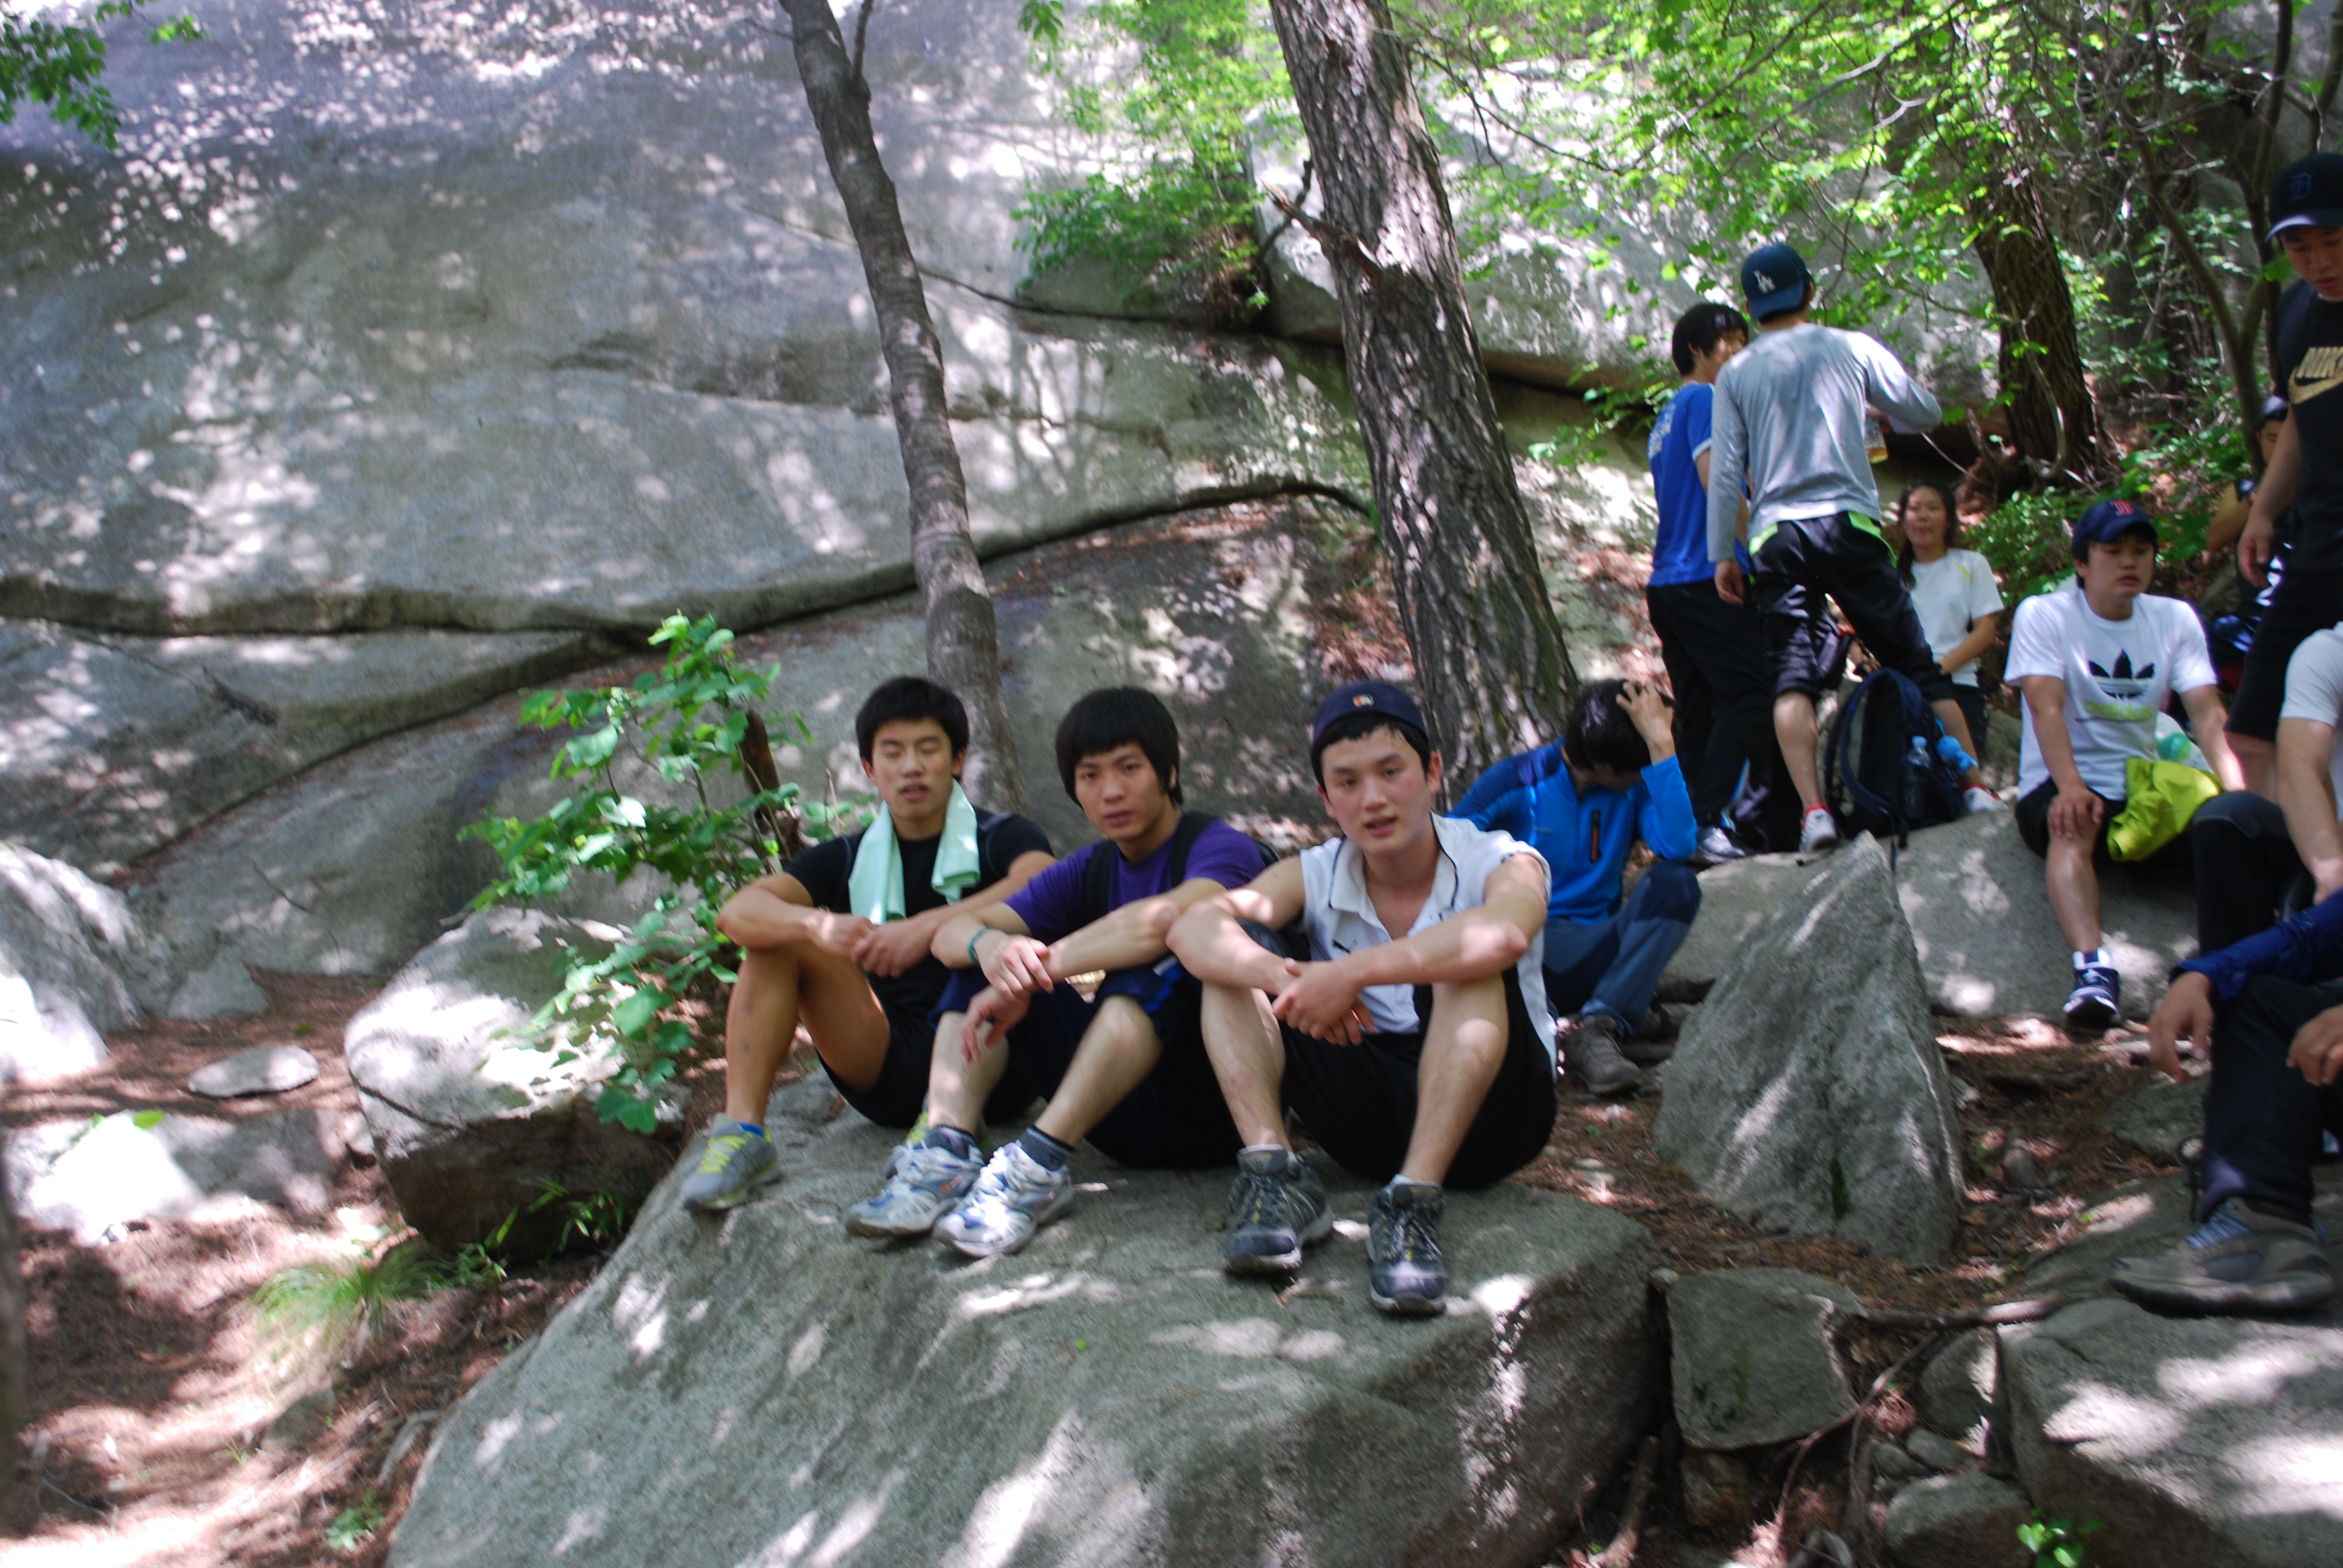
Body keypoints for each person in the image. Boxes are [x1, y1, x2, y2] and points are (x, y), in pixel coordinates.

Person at [1167, 682, 1556, 1317]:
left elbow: (1507, 930)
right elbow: (1194, 928)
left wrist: (1350, 974)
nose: (1372, 798)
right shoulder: (1317, 870)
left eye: (1390, 772)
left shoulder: (1499, 858)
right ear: (1325, 799)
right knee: (1231, 961)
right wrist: (1287, 980)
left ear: (1431, 772)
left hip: (1494, 1118)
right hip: (1363, 1120)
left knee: (1469, 961)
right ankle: (1275, 1177)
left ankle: (1413, 1205)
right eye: (1347, 783)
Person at [844, 687, 1265, 1258]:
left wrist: (1037, 966)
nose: (1110, 791)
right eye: (1090, 776)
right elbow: (950, 935)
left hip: (1215, 1110)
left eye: (1129, 768)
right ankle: (944, 1153)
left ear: (1169, 772)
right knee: (988, 965)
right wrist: (992, 947)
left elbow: (1163, 923)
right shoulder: (1087, 869)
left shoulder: (1220, 849)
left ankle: (1036, 1166)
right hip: (1116, 1120)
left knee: (1154, 970)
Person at [684, 678, 1055, 1210]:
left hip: (997, 1063)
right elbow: (738, 913)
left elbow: (1041, 883)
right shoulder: (846, 855)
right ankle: (744, 1135)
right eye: (893, 753)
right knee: (776, 941)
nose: (911, 767)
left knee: (992, 942)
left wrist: (924, 928)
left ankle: (950, 1122)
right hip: (885, 1064)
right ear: (869, 769)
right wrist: (816, 926)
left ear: (957, 760)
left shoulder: (1002, 835)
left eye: (928, 750)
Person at [1705, 241, 2001, 855]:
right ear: (1809, 292)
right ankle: (1973, 785)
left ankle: (1814, 813)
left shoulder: (1735, 373)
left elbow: (1728, 468)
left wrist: (1722, 554)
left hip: (1777, 535)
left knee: (1791, 679)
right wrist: (1878, 412)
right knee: (1915, 661)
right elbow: (1925, 411)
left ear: (1750, 307)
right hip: (1848, 524)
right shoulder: (1851, 347)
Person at [2005, 499, 2243, 1031]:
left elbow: (2208, 714)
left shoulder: (2174, 618)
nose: (2129, 561)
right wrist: (2070, 785)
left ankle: (2232, 969)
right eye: (2113, 551)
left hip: (2143, 789)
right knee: (2075, 821)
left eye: (2141, 550)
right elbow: (2045, 708)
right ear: (2082, 563)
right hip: (2061, 781)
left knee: (2229, 832)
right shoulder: (2045, 614)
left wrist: (2238, 797)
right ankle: (2093, 970)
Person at [1450, 679, 1699, 1098]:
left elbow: (1678, 845)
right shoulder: (1519, 781)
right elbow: (1444, 853)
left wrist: (1662, 747)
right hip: (1522, 953)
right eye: (1640, 768)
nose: (1644, 776)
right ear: (1604, 764)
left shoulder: (1637, 788)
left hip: (1596, 951)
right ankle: (1540, 1023)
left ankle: (1598, 1026)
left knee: (1678, 885)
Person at [2224, 151, 2343, 792]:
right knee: (2251, 730)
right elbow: (2301, 411)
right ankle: (2284, 848)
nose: (2317, 261)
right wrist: (2263, 511)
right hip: (2314, 546)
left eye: (2332, 241)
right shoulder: (2295, 311)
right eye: (2299, 247)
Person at [1645, 301, 1772, 864]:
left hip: (1668, 584)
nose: (1741, 352)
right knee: (1750, 693)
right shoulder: (1704, 400)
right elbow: (1716, 482)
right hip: (1705, 576)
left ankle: (1685, 831)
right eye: (1731, 343)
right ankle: (1706, 818)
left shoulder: (1664, 417)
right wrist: (1760, 546)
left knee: (1697, 710)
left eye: (1746, 341)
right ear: (1697, 350)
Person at [1894, 479, 2004, 753]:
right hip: (1903, 688)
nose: (1923, 516)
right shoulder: (1893, 575)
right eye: (1915, 509)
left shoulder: (1971, 564)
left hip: (1958, 686)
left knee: (1959, 771)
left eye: (1933, 508)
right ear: (1903, 520)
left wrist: (1937, 671)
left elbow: (1986, 630)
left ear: (1949, 520)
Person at [2207, 394, 2294, 695]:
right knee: (2191, 652)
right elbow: (2215, 538)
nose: (2279, 448)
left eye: (2287, 440)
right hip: (2252, 615)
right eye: (2272, 439)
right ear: (2259, 438)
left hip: (2296, 609)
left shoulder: (2318, 489)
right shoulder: (2245, 489)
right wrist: (2260, 500)